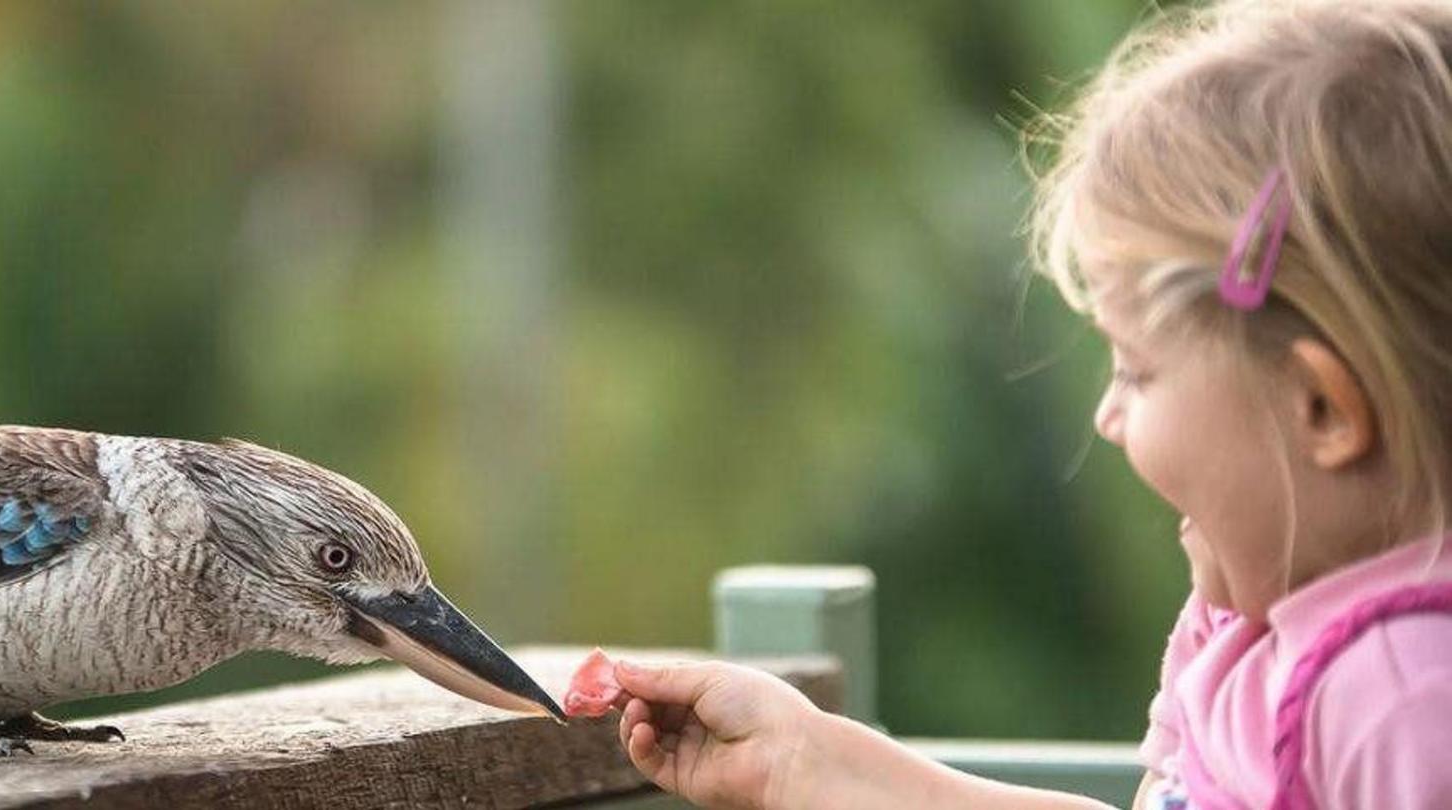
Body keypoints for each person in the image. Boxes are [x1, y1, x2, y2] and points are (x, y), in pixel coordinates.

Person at [611, 1, 1452, 807]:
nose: (1107, 417)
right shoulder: (1244, 634)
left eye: (1136, 371)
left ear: (1320, 408)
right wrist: (803, 764)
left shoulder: (1404, 705)